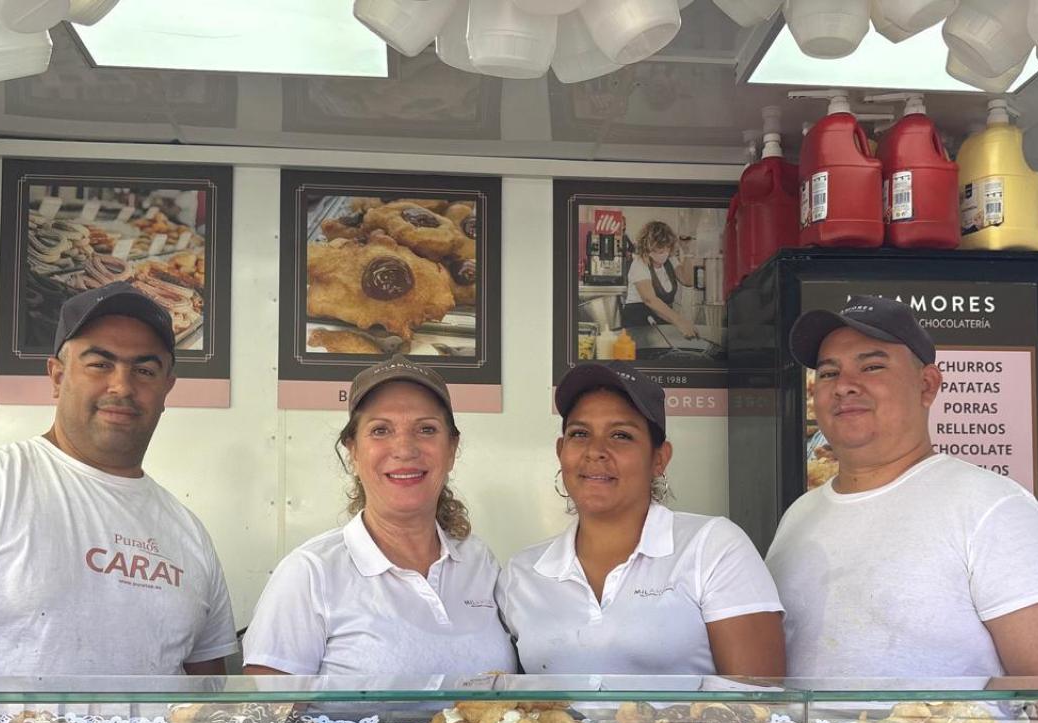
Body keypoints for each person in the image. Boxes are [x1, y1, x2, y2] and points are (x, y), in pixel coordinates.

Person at [0, 282, 238, 677]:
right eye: (99, 364)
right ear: (57, 376)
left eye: (144, 370)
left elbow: (210, 697)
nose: (122, 386)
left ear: (167, 388)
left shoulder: (189, 534)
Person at [766, 296, 1038, 680]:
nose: (844, 387)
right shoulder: (799, 516)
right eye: (828, 373)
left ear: (927, 385)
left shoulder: (993, 508)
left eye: (872, 367)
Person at [498, 362, 785, 677]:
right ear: (560, 451)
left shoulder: (713, 547)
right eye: (579, 434)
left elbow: (759, 699)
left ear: (659, 458)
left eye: (621, 435)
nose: (595, 451)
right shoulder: (522, 574)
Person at [241, 358, 514, 676]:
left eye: (426, 429)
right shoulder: (310, 573)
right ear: (353, 452)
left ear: (451, 449)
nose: (404, 449)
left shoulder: (478, 561)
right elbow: (264, 706)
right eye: (380, 430)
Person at [621, 220, 700, 340]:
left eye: (667, 249)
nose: (664, 253)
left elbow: (688, 281)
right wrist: (680, 321)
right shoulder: (639, 264)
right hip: (638, 321)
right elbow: (650, 300)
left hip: (662, 318)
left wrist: (687, 252)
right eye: (660, 250)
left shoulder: (671, 260)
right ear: (648, 248)